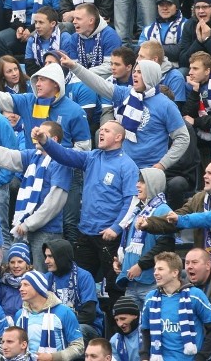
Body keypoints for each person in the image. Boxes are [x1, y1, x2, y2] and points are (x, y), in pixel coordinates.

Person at [57, 58, 191, 203]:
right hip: (122, 167)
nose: (135, 75)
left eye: (140, 72)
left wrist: (162, 165)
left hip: (147, 173)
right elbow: (98, 84)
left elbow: (183, 138)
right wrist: (75, 67)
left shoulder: (166, 105)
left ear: (151, 75)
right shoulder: (126, 94)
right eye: (135, 71)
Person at [33, 122, 137, 307]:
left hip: (110, 237)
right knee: (77, 283)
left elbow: (132, 201)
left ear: (119, 137)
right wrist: (46, 141)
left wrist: (116, 228)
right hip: (86, 233)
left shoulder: (127, 165)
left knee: (115, 288)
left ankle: (116, 331)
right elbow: (66, 155)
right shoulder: (93, 156)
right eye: (100, 129)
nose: (101, 133)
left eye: (106, 130)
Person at [0, 121, 72, 269]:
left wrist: (29, 224)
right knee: (14, 271)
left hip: (46, 231)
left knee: (41, 277)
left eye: (42, 134)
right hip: (23, 227)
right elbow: (8, 156)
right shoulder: (34, 156)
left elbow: (54, 202)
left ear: (54, 140)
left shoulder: (61, 162)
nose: (36, 137)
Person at [0, 62, 92, 150]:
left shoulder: (75, 110)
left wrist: (63, 159)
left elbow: (83, 147)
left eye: (42, 80)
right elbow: (1, 98)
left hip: (62, 171)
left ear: (56, 83)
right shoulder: (28, 101)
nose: (37, 84)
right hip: (32, 166)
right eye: (37, 80)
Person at [139, 252, 211, 361]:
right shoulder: (150, 298)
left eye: (160, 269)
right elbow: (145, 331)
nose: (155, 273)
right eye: (155, 269)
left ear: (175, 272)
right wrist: (144, 356)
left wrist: (201, 357)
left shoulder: (195, 295)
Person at [115, 168, 175, 307]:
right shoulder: (138, 211)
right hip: (131, 282)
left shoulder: (163, 210)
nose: (137, 185)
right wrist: (122, 261)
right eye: (138, 181)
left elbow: (165, 247)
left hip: (150, 283)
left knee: (152, 326)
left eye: (142, 182)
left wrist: (141, 265)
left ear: (153, 184)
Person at [12, 270, 84, 359]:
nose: (21, 289)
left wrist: (53, 357)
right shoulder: (19, 315)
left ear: (38, 287)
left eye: (26, 285)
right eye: (21, 285)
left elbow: (79, 346)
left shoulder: (64, 312)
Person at [71, 3, 121, 73]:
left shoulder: (110, 36)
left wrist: (85, 73)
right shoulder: (74, 38)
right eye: (74, 18)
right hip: (81, 78)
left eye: (78, 19)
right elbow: (73, 66)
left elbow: (111, 67)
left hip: (105, 78)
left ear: (91, 21)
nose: (74, 22)